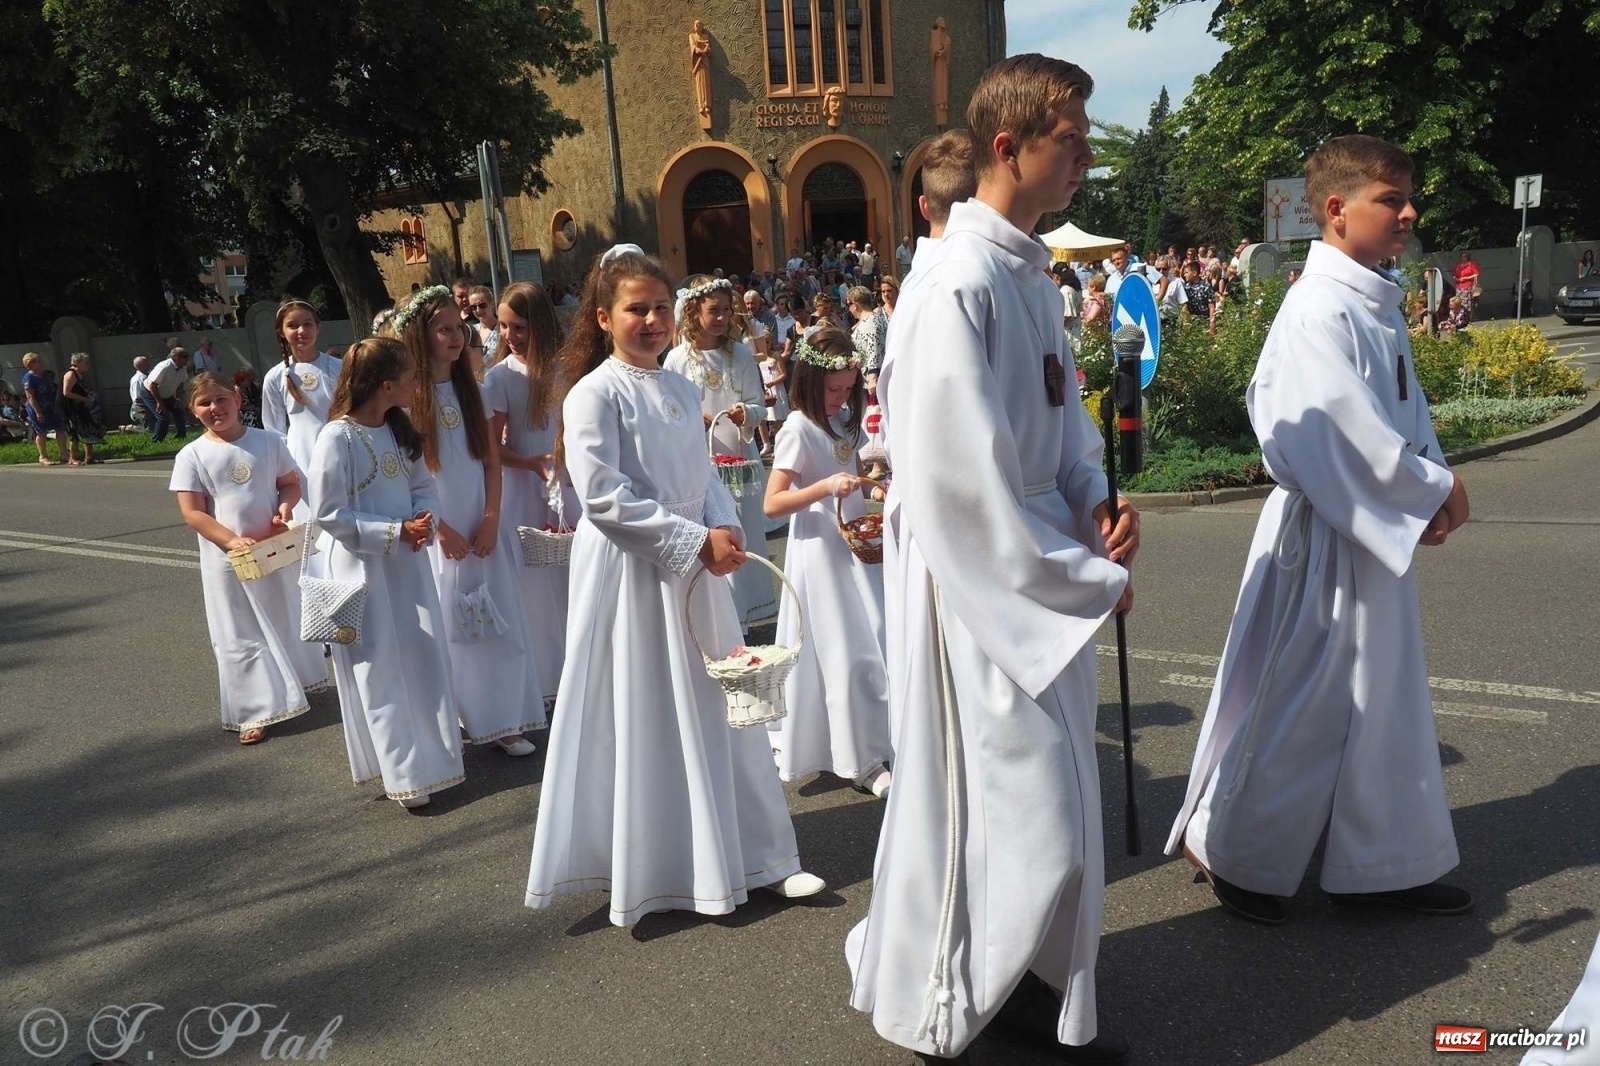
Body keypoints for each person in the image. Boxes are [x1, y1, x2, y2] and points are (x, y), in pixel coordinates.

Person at [847, 54, 1138, 1065]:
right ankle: (950, 999)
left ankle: (1022, 982)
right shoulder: (954, 285)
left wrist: (1097, 501)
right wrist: (1080, 576)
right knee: (1022, 810)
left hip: (1040, 570)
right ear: (1007, 148)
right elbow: (957, 482)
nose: (1086, 160)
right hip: (983, 592)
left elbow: (1063, 427)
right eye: (1073, 140)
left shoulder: (1026, 274)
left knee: (1051, 812)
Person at [1165, 134, 1472, 928]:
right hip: (1326, 535)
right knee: (1304, 701)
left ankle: (1382, 865)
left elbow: (1401, 415)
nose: (1409, 213)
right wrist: (1431, 487)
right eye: (1390, 200)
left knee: (1384, 703)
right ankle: (1237, 853)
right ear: (1336, 211)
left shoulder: (1371, 294)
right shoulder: (1317, 309)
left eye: (1409, 198)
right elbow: (1331, 432)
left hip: (1369, 529)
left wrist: (1429, 482)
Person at [525, 244, 826, 927]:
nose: (653, 321)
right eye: (638, 310)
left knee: (721, 700)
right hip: (634, 573)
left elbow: (706, 477)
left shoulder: (682, 387)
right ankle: (659, 864)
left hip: (696, 566)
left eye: (662, 308)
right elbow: (603, 496)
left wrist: (725, 529)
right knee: (646, 709)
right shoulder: (593, 395)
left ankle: (761, 856)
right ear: (604, 317)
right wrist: (693, 541)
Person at [307, 336, 464, 810]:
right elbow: (329, 512)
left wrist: (423, 522)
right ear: (388, 384)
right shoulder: (337, 437)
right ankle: (402, 773)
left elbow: (424, 486)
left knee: (419, 655)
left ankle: (434, 761)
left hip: (408, 564)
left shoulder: (398, 427)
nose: (419, 383)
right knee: (380, 667)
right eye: (412, 376)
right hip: (364, 568)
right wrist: (394, 531)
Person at [397, 285, 545, 756]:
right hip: (438, 529)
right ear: (420, 338)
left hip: (480, 523)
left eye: (458, 327)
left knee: (495, 619)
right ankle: (455, 720)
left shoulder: (474, 392)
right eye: (443, 329)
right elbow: (409, 477)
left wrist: (490, 517)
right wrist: (440, 528)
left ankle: (504, 720)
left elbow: (489, 462)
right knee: (448, 625)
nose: (455, 337)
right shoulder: (405, 401)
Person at [762, 322, 892, 797]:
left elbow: (853, 473)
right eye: (835, 389)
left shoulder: (844, 424)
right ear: (813, 383)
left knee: (874, 639)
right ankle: (858, 758)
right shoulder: (798, 427)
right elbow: (772, 503)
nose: (842, 397)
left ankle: (870, 740)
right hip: (819, 550)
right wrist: (822, 488)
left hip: (855, 545)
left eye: (848, 389)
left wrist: (875, 487)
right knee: (842, 651)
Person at [170, 371, 329, 744]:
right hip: (227, 560)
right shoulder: (192, 455)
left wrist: (285, 510)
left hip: (272, 550)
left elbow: (289, 483)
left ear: (238, 399)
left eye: (221, 399)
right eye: (204, 403)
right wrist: (230, 540)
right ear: (194, 411)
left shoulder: (269, 441)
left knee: (281, 615)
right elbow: (193, 512)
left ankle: (292, 685)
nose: (214, 408)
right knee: (238, 631)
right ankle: (252, 710)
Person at [663, 275, 780, 630]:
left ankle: (746, 617)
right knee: (712, 534)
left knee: (741, 534)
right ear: (694, 311)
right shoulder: (676, 360)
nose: (722, 317)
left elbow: (758, 404)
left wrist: (748, 413)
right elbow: (668, 412)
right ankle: (717, 621)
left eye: (727, 310)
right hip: (700, 463)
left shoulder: (741, 354)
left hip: (740, 459)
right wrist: (690, 419)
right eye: (714, 310)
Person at [485, 281, 574, 711]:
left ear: (539, 323)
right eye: (503, 326)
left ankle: (583, 672)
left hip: (570, 482)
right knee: (535, 584)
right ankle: (545, 678)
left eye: (518, 326)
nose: (509, 336)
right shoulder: (501, 377)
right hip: (526, 486)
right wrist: (532, 462)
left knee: (574, 575)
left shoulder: (568, 367)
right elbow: (491, 448)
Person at [262, 299, 341, 522]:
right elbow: (273, 429)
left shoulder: (340, 368)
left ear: (318, 327)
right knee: (309, 520)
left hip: (339, 449)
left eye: (307, 324)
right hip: (300, 457)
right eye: (293, 325)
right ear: (281, 332)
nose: (301, 331)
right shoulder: (275, 376)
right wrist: (286, 468)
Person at [21, 352, 67, 465]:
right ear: (31, 364)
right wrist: (38, 413)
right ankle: (43, 457)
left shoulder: (44, 375)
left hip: (51, 407)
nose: (40, 363)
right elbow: (30, 396)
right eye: (38, 361)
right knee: (41, 432)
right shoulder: (28, 378)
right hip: (37, 409)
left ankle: (63, 454)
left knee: (60, 428)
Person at [60, 352, 106, 465]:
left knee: (87, 430)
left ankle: (89, 457)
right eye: (85, 363)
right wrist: (84, 399)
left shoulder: (78, 374)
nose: (88, 365)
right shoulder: (71, 374)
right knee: (74, 433)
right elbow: (66, 392)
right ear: (77, 363)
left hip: (79, 408)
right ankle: (72, 458)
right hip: (71, 409)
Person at [143, 347, 192, 442]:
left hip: (167, 394)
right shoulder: (164, 367)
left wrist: (177, 399)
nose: (188, 359)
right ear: (177, 357)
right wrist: (159, 403)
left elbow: (180, 385)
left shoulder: (182, 369)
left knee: (179, 411)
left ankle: (181, 436)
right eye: (185, 357)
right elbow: (153, 385)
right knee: (163, 416)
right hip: (151, 392)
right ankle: (157, 440)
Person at [466, 285, 502, 375]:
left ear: (492, 304)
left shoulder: (503, 330)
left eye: (482, 305)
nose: (478, 310)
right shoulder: (470, 331)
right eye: (473, 307)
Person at [1452, 250, 1480, 323]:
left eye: (1464, 256)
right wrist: (1455, 278)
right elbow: (1455, 275)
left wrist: (1466, 278)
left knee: (1467, 304)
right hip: (1459, 287)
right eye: (1462, 256)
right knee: (1458, 303)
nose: (1463, 258)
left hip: (1468, 286)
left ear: (1468, 257)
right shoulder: (1459, 266)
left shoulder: (1472, 264)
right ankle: (1460, 318)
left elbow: (1476, 274)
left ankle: (1468, 318)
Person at [128, 356, 152, 430]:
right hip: (140, 408)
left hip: (149, 406)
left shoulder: (148, 376)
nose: (149, 365)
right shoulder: (137, 380)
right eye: (146, 364)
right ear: (140, 366)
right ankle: (130, 429)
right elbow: (137, 398)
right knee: (150, 429)